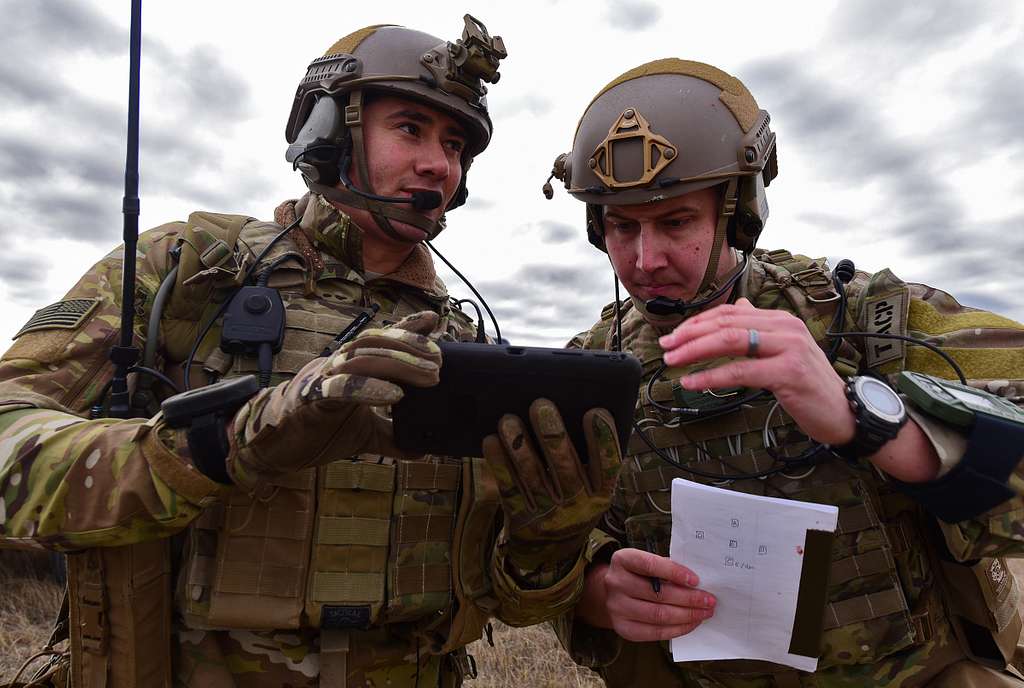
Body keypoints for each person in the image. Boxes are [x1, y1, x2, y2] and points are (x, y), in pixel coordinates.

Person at [0, 18, 622, 688]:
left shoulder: (462, 346)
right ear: (326, 133)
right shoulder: (187, 273)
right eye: (410, 129)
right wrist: (222, 447)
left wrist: (549, 537)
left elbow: (515, 602)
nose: (440, 166)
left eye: (455, 147)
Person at [545, 58, 1024, 687]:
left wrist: (872, 424)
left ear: (738, 212)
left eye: (676, 222)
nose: (645, 259)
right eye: (621, 227)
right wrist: (598, 587)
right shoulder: (593, 371)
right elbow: (537, 545)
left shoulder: (868, 321)